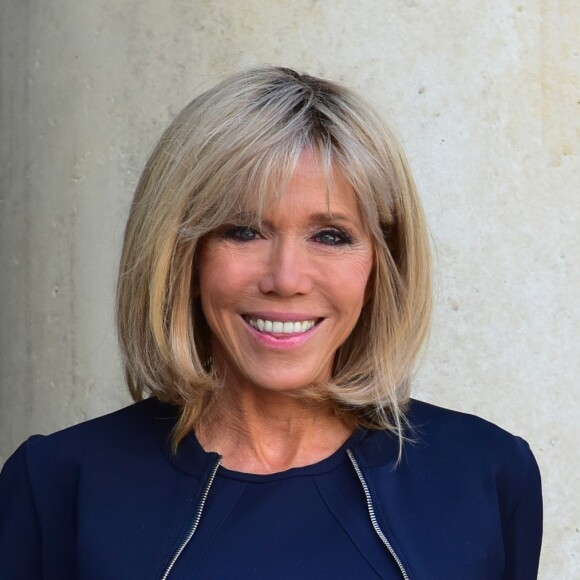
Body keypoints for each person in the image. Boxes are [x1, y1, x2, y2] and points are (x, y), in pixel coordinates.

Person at [0, 67, 542, 579]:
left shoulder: (484, 474)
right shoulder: (59, 483)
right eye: (243, 231)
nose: (286, 279)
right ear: (181, 257)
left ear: (381, 266)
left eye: (330, 236)